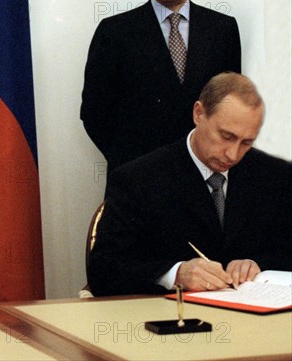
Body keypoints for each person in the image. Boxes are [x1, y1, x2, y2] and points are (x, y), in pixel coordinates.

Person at [87, 72, 291, 296]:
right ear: (199, 114)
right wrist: (175, 274)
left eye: (246, 142)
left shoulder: (276, 176)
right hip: (173, 320)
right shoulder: (139, 179)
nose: (233, 154)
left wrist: (257, 263)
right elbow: (104, 271)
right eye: (226, 136)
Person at [80, 0, 241, 179]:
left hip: (204, 175)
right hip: (136, 176)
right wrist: (129, 160)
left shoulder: (222, 29)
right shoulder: (114, 31)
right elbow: (94, 112)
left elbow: (228, 106)